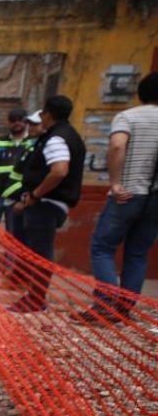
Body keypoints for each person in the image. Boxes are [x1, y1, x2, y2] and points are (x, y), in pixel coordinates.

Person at [76, 71, 158, 322]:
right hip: (155, 199)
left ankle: (105, 305)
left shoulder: (128, 117)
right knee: (137, 252)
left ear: (141, 93)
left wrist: (115, 183)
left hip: (128, 193)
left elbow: (117, 145)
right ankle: (124, 310)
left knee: (102, 247)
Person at [9, 95, 86, 312]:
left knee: (40, 253)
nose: (40, 117)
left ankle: (35, 298)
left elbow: (59, 170)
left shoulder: (57, 138)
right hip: (51, 202)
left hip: (47, 203)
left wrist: (34, 195)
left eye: (42, 113)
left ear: (49, 114)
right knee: (37, 249)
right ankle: (34, 295)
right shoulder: (70, 136)